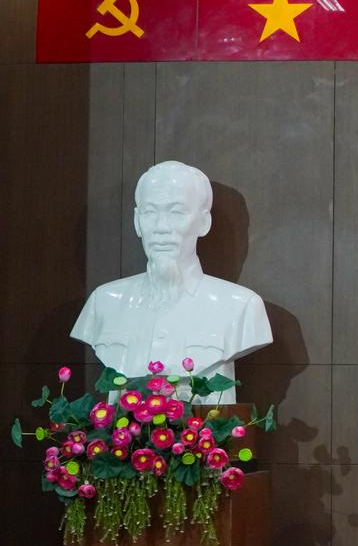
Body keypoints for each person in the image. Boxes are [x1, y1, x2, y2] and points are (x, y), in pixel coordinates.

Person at [71, 161, 272, 397]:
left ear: (204, 223)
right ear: (137, 222)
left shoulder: (242, 307)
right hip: (124, 420)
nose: (161, 227)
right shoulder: (104, 302)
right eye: (150, 212)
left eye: (177, 212)